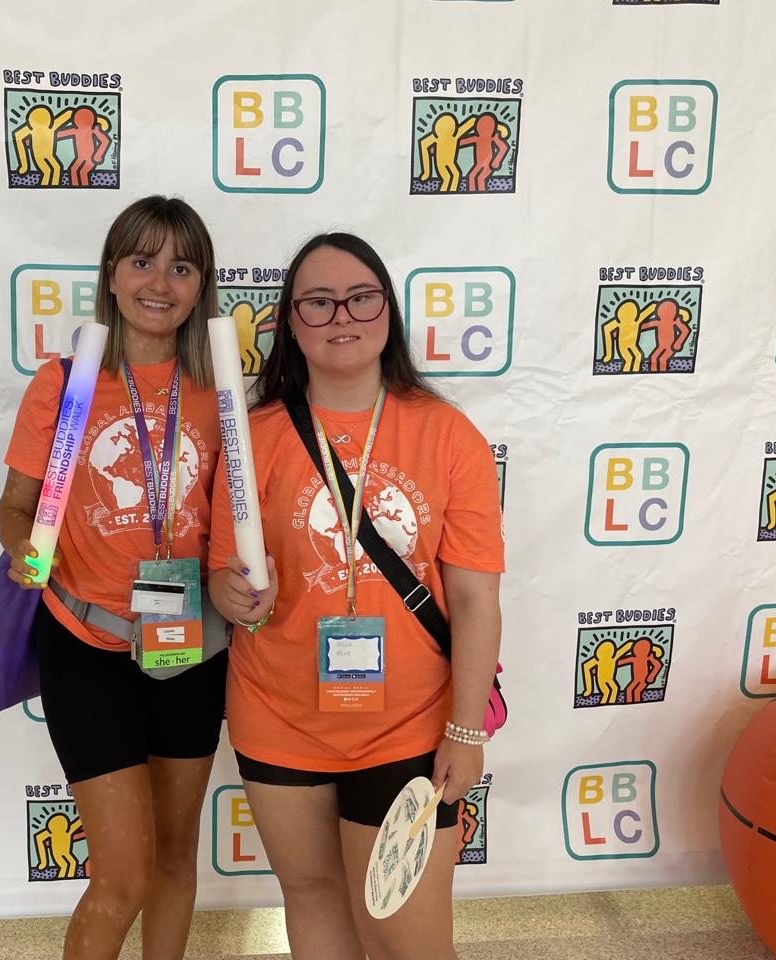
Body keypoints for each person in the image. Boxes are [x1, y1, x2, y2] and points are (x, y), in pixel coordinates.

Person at [209, 233, 504, 960]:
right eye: (318, 300)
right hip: (278, 717)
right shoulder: (253, 437)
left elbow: (473, 599)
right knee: (310, 898)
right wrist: (230, 592)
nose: (342, 314)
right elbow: (222, 570)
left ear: (388, 312)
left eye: (361, 296)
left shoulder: (446, 434)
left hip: (408, 725)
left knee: (411, 941)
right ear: (289, 322)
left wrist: (466, 731)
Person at [0, 195, 224, 960]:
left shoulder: (220, 392)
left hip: (188, 646)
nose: (160, 281)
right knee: (122, 874)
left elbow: (231, 523)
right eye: (142, 260)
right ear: (112, 274)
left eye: (181, 266)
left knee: (172, 859)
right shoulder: (64, 382)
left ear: (201, 286)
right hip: (86, 643)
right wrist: (24, 550)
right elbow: (15, 508)